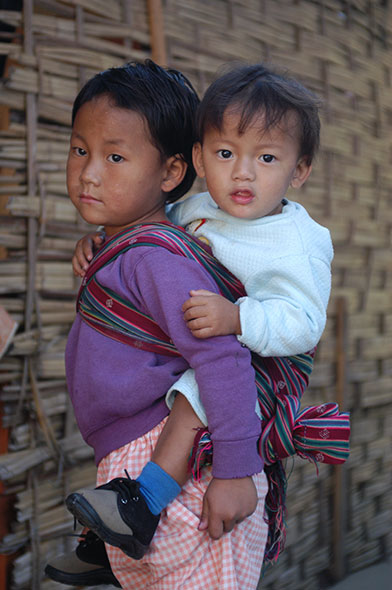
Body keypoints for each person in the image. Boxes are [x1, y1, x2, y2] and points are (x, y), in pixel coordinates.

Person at [64, 61, 342, 580]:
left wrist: (239, 318)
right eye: (224, 153)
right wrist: (101, 245)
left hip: (263, 364)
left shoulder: (294, 242)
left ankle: (143, 502)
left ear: (299, 170)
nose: (242, 172)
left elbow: (302, 322)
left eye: (265, 157)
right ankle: (126, 526)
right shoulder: (200, 208)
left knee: (193, 391)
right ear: (197, 158)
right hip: (224, 365)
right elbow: (152, 223)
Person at [45, 60, 268, 590]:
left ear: (170, 173)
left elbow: (222, 356)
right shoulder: (123, 251)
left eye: (115, 156)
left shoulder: (156, 261)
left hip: (182, 466)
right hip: (140, 465)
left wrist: (236, 470)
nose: (89, 172)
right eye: (81, 150)